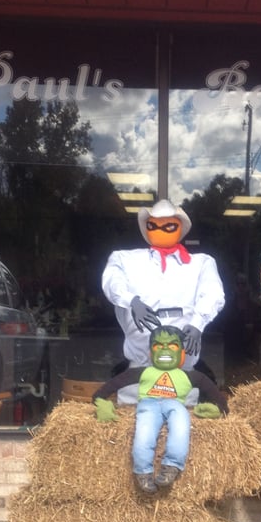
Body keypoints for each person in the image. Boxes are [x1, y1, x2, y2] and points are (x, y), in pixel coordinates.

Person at [92, 325, 228, 495]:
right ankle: (143, 471)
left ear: (182, 353)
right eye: (158, 345)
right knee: (144, 432)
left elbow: (213, 391)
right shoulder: (143, 372)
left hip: (175, 405)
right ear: (151, 352)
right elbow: (112, 385)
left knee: (181, 426)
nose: (165, 349)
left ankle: (172, 465)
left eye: (172, 345)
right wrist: (101, 402)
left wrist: (220, 409)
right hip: (149, 404)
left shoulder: (191, 376)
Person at [101, 199, 225, 373]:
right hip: (139, 368)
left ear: (180, 227)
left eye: (169, 226)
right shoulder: (124, 259)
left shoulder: (202, 263)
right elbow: (112, 282)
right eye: (153, 225)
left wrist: (198, 323)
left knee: (186, 389)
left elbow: (213, 293)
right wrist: (132, 301)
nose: (160, 230)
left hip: (183, 367)